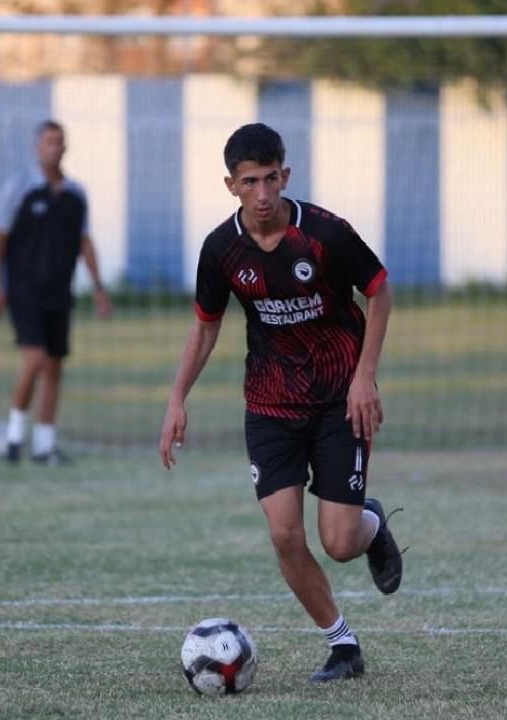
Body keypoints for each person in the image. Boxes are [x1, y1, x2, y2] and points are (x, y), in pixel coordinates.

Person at [159, 122, 403, 683]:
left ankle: (371, 524)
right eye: (251, 182)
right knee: (285, 534)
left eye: (272, 179)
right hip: (270, 403)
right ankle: (343, 646)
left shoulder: (325, 234)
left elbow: (380, 291)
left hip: (341, 399)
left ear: (285, 175)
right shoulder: (221, 249)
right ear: (231, 185)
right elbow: (204, 328)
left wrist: (366, 375)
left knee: (339, 542)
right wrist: (176, 399)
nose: (264, 193)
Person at [0, 120, 111, 465]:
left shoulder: (76, 193)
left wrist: (99, 287)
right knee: (35, 358)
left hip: (60, 290)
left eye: (59, 142)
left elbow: (85, 243)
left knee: (55, 365)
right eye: (48, 141)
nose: (54, 147)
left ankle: (44, 444)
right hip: (24, 290)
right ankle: (12, 436)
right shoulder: (18, 188)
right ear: (36, 146)